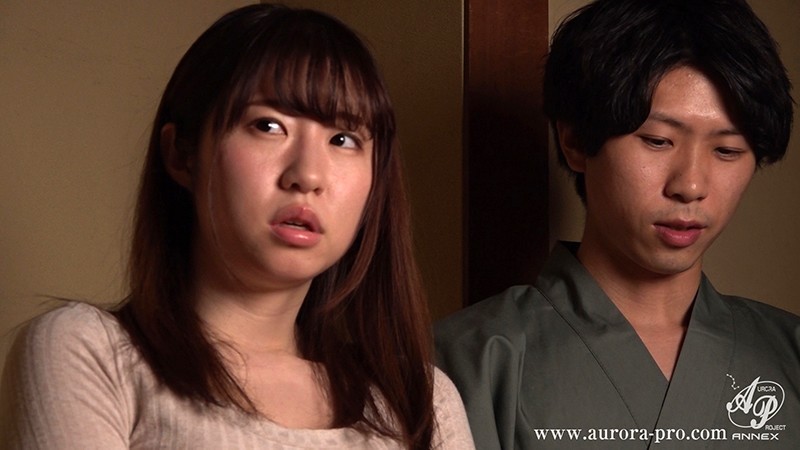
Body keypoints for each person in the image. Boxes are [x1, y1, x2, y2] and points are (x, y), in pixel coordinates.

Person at [0, 5, 474, 449]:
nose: (308, 175)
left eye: (343, 139)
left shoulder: (421, 399)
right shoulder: (90, 352)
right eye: (268, 126)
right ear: (182, 155)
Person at [435, 0, 798, 448]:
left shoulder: (790, 353)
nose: (690, 186)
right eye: (658, 141)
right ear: (575, 142)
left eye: (727, 150)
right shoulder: (469, 360)